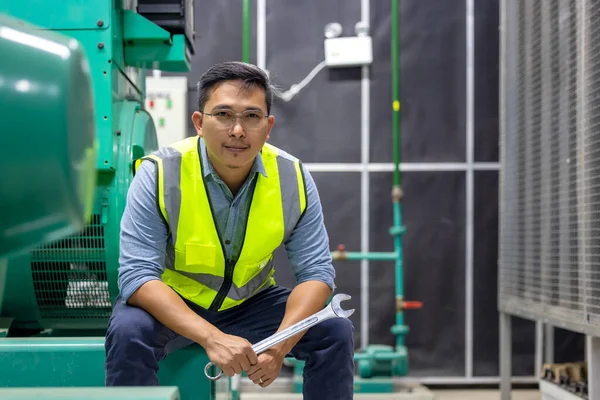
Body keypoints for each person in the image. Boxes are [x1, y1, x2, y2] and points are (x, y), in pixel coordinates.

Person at [104, 61, 355, 399]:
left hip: (251, 302)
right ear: (199, 122)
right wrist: (212, 337)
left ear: (268, 126)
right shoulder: (159, 173)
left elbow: (317, 274)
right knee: (128, 330)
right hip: (175, 300)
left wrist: (279, 346)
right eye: (223, 114)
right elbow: (136, 277)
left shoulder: (293, 178)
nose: (238, 130)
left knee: (334, 330)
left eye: (252, 117)